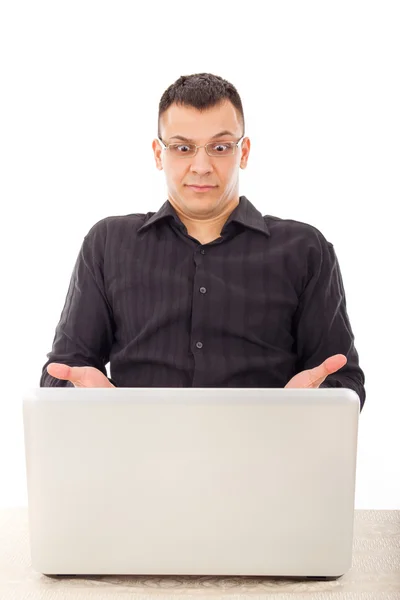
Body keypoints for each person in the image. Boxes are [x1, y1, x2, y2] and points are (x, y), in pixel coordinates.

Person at [41, 72, 366, 411]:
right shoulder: (107, 244)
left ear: (244, 152)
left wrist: (318, 398)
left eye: (220, 147)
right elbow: (60, 372)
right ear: (158, 154)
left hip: (265, 456)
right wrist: (78, 391)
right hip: (139, 456)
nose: (200, 166)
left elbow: (345, 381)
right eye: (182, 148)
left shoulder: (304, 250)